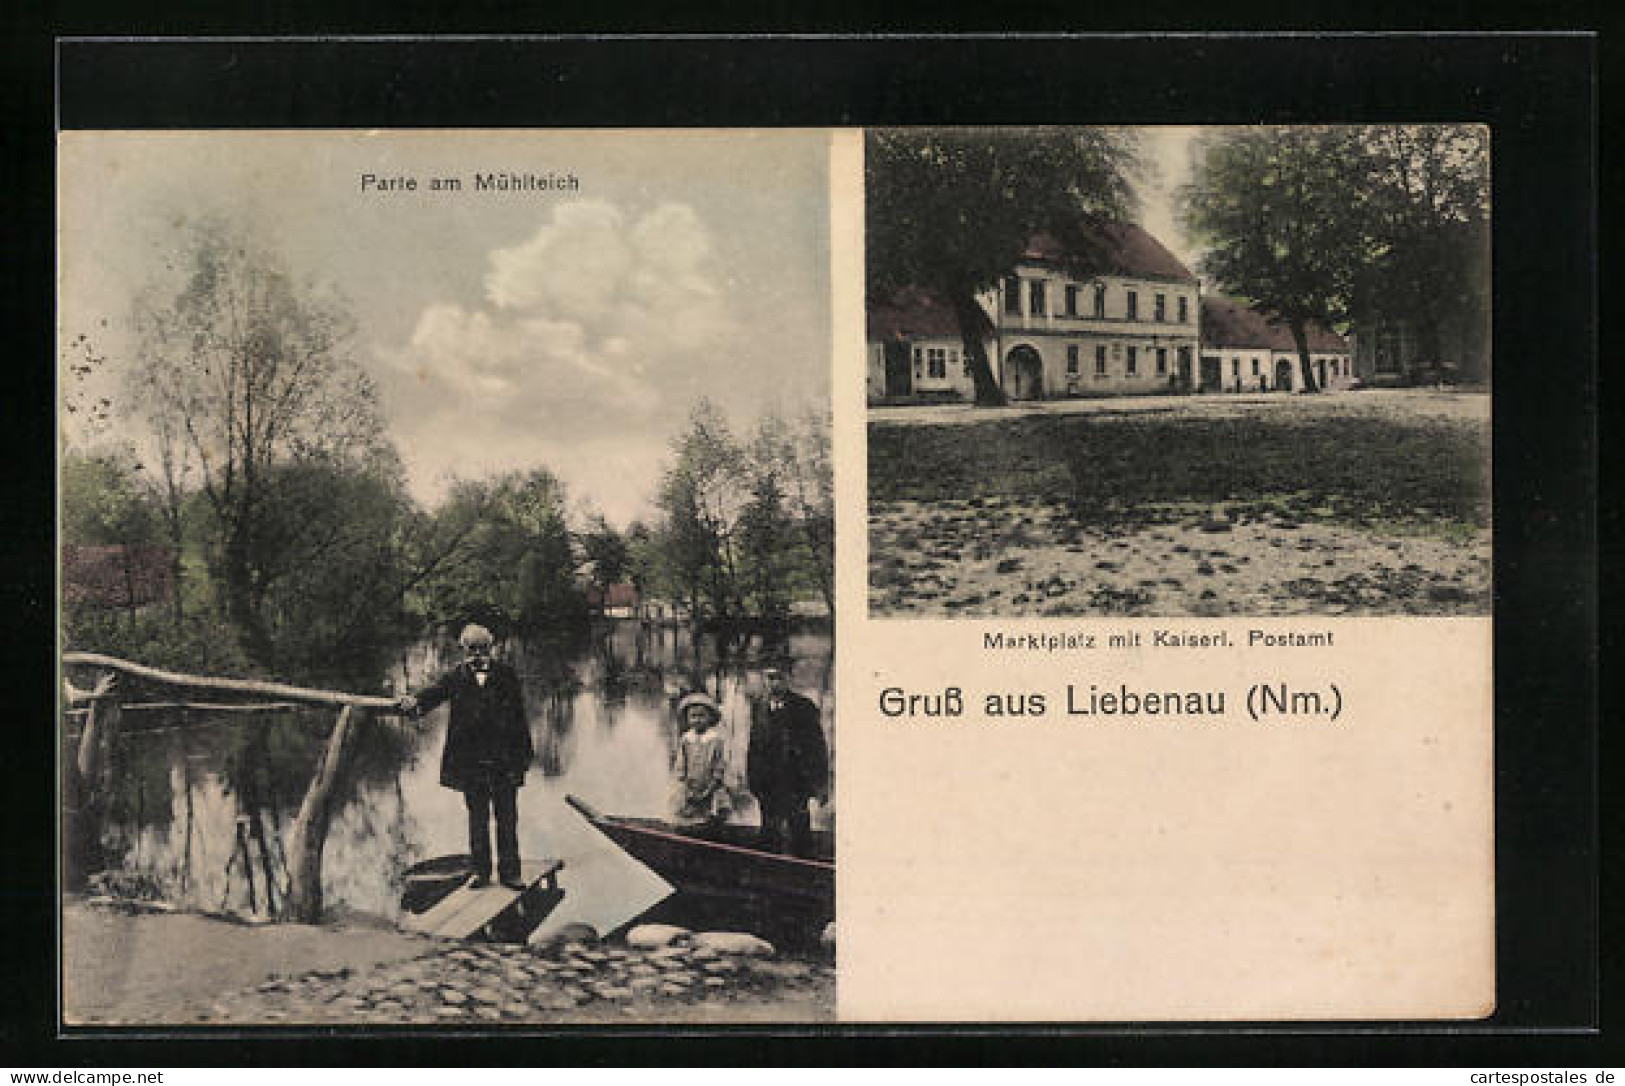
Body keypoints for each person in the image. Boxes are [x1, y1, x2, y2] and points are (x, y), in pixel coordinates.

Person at [397, 624, 533, 890]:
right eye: (472, 649)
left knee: (507, 818)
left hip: (503, 761)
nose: (477, 654)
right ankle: (481, 872)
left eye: (482, 648)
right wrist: (414, 702)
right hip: (472, 762)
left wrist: (523, 758)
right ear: (464, 650)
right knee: (477, 818)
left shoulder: (506, 675)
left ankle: (510, 873)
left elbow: (520, 719)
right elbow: (433, 694)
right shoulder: (455, 677)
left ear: (490, 649)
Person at [746, 662, 829, 856]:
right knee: (769, 824)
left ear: (789, 679)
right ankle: (770, 865)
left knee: (798, 825)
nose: (774, 683)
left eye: (779, 678)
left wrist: (820, 784)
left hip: (795, 779)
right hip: (768, 778)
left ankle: (803, 866)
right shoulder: (759, 706)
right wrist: (753, 777)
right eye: (769, 678)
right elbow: (754, 746)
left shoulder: (804, 707)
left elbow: (816, 748)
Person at [673, 691, 731, 825]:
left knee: (713, 812)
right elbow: (681, 764)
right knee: (686, 811)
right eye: (693, 716)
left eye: (702, 716)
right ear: (687, 719)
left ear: (710, 718)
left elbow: (719, 764)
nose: (697, 720)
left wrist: (712, 784)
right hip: (690, 785)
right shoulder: (686, 739)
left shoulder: (715, 740)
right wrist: (684, 783)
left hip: (710, 785)